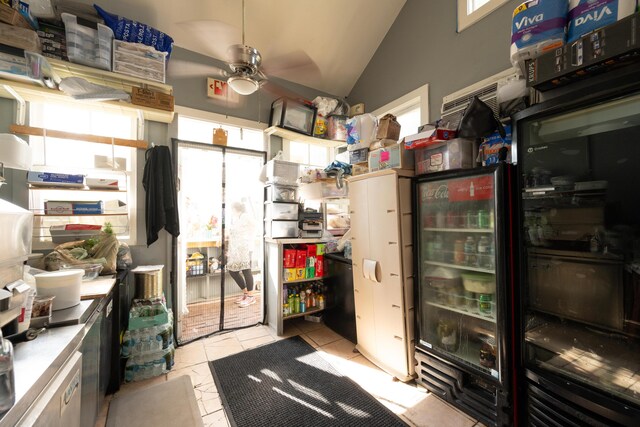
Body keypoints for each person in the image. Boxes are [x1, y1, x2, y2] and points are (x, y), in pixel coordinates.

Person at [227, 201, 256, 308]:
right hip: (236, 249)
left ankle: (251, 297)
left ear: (236, 209)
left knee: (246, 270)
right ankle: (246, 293)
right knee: (232, 271)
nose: (231, 211)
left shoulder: (245, 216)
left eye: (232, 209)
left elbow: (253, 227)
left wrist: (249, 238)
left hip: (245, 248)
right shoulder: (237, 218)